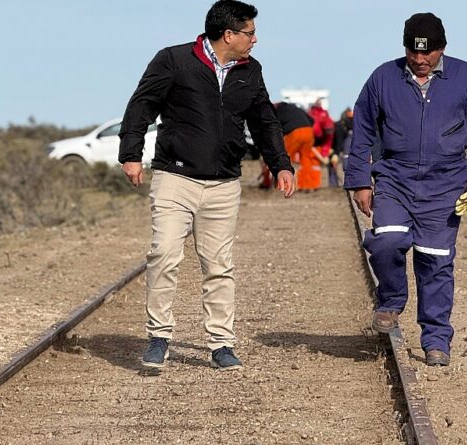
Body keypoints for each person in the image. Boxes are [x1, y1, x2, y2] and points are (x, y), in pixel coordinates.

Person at [118, 0, 295, 372]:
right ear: (228, 34)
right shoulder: (173, 60)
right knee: (164, 254)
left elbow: (264, 120)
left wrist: (281, 164)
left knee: (218, 266)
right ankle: (158, 338)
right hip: (175, 178)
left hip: (224, 184)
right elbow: (142, 105)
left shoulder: (250, 70)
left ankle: (221, 344)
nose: (255, 39)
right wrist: (130, 153)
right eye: (250, 32)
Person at [344, 12, 467, 367]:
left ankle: (436, 338)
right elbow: (363, 129)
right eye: (414, 52)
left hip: (445, 185)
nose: (420, 60)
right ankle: (392, 299)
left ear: (442, 49)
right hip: (395, 178)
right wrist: (358, 180)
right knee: (386, 240)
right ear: (405, 48)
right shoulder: (383, 77)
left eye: (428, 53)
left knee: (436, 262)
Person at [259, 101, 314, 189]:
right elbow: (312, 120)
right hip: (309, 132)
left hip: (294, 133)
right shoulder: (295, 108)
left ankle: (282, 185)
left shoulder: (277, 112)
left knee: (283, 160)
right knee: (306, 159)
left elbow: (275, 128)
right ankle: (308, 186)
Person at [308, 100, 337, 188]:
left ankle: (327, 184)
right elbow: (310, 142)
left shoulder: (329, 125)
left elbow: (327, 143)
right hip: (312, 145)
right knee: (311, 164)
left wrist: (325, 154)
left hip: (319, 145)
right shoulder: (314, 126)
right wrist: (320, 155)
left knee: (332, 160)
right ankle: (309, 185)